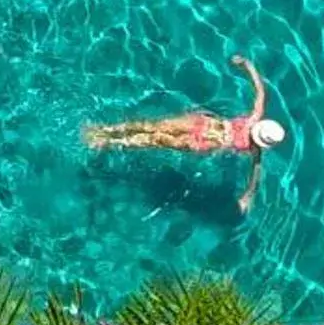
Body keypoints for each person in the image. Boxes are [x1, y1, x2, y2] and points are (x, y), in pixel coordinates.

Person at [84, 55, 287, 212]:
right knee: (154, 140)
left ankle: (104, 131)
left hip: (202, 124)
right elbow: (256, 172)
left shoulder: (254, 118)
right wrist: (247, 197)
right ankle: (107, 142)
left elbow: (261, 91)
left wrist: (246, 64)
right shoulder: (255, 149)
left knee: (152, 126)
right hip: (204, 144)